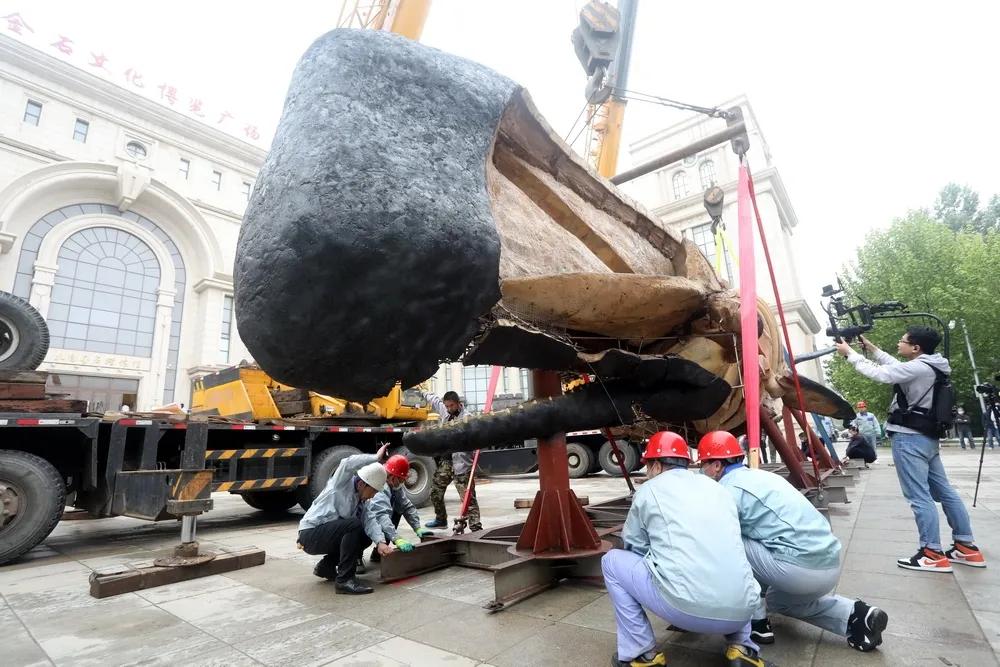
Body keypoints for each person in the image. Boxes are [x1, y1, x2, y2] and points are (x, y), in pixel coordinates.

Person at [698, 431, 888, 652]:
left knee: (727, 540)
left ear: (717, 466)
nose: (702, 470)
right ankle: (855, 615)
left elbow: (716, 539)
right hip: (829, 563)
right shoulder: (763, 476)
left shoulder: (727, 490)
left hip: (797, 569)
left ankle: (757, 623)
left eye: (704, 464)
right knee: (779, 602)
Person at [601, 431, 767, 667]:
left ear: (656, 465)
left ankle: (643, 655)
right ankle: (742, 648)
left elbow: (634, 545)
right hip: (743, 610)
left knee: (612, 561)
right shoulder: (719, 489)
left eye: (648, 465)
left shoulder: (649, 490)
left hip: (686, 609)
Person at [836, 328, 987, 571]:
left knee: (919, 496)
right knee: (945, 492)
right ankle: (966, 547)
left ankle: (932, 553)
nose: (899, 343)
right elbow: (894, 365)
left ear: (916, 348)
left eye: (903, 341)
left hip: (909, 439)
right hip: (927, 439)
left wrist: (850, 353)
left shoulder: (917, 368)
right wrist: (871, 349)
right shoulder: (933, 366)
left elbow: (881, 374)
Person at [297, 444, 396, 594]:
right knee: (354, 525)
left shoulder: (361, 500)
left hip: (324, 535)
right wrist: (375, 458)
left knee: (364, 536)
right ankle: (344, 581)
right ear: (363, 484)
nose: (374, 495)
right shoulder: (340, 484)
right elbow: (347, 463)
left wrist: (381, 542)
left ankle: (326, 567)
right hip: (310, 534)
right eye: (374, 491)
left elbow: (370, 521)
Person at [420, 390, 481, 531]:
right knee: (435, 491)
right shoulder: (445, 412)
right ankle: (441, 519)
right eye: (447, 406)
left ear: (459, 404)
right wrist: (422, 392)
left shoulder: (468, 418)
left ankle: (476, 527)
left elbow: (477, 439)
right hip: (446, 463)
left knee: (468, 499)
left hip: (462, 465)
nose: (448, 409)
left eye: (451, 406)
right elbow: (434, 399)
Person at [364, 454, 434, 565]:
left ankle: (380, 551)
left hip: (376, 520)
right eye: (401, 480)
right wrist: (396, 538)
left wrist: (417, 528)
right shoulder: (380, 486)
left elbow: (406, 506)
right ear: (393, 477)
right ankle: (355, 558)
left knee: (397, 510)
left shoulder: (394, 485)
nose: (402, 483)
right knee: (360, 530)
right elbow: (381, 515)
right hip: (364, 524)